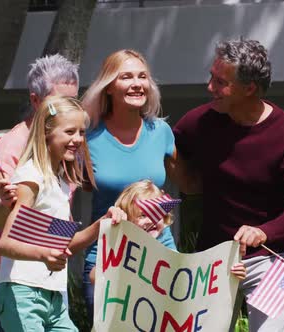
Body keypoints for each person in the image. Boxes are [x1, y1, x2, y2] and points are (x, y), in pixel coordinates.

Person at [172, 38, 284, 332]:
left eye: (220, 82)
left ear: (249, 88)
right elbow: (168, 147)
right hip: (213, 260)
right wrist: (184, 180)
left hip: (275, 260)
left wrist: (264, 231)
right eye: (211, 77)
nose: (210, 87)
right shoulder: (201, 122)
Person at [0, 54, 80, 331]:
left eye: (74, 100)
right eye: (58, 103)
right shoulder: (15, 149)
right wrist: (6, 203)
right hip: (4, 268)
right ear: (35, 101)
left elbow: (52, 216)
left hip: (44, 270)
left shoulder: (66, 142)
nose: (68, 108)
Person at [80, 49, 178, 320]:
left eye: (142, 76)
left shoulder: (161, 132)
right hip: (107, 261)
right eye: (126, 77)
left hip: (162, 257)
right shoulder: (86, 138)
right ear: (109, 86)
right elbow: (62, 195)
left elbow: (185, 181)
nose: (137, 83)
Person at [0, 96, 103, 331]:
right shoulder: (31, 177)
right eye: (69, 132)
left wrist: (102, 225)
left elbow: (66, 244)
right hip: (22, 292)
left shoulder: (62, 182)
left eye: (82, 133)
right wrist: (44, 255)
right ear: (47, 132)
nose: (77, 140)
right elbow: (5, 242)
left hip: (54, 296)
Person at [88, 179, 247, 284]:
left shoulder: (164, 240)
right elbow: (94, 275)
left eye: (157, 215)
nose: (150, 220)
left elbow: (186, 275)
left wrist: (228, 273)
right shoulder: (120, 242)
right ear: (127, 219)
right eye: (142, 215)